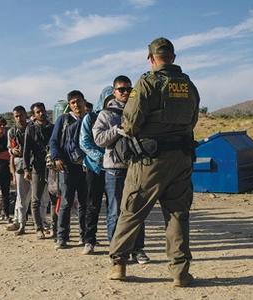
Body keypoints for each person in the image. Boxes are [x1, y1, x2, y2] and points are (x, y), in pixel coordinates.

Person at [106, 37, 200, 287]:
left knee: (132, 211)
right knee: (178, 214)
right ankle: (180, 272)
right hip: (181, 159)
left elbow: (132, 121)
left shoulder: (146, 83)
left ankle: (119, 264)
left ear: (151, 58)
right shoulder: (189, 85)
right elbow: (192, 121)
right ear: (173, 58)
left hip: (149, 161)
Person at [93, 75, 149, 264]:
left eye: (128, 89)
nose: (125, 92)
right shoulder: (106, 114)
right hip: (115, 170)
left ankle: (138, 249)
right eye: (121, 89)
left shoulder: (139, 110)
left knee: (137, 211)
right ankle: (116, 250)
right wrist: (117, 129)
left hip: (136, 167)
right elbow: (99, 139)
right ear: (114, 92)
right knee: (115, 211)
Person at [49, 90, 88, 249]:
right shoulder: (63, 120)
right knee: (66, 202)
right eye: (72, 103)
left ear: (84, 101)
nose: (76, 105)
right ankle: (62, 237)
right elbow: (54, 141)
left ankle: (85, 236)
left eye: (78, 101)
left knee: (86, 203)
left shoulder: (90, 119)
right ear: (69, 105)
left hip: (87, 167)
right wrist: (57, 157)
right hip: (68, 167)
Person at [79, 86, 113, 255]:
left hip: (114, 168)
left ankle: (114, 241)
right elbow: (84, 142)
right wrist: (101, 157)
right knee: (92, 204)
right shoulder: (91, 118)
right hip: (95, 167)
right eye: (108, 99)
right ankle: (89, 240)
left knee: (113, 206)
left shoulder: (119, 116)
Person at [23, 102, 56, 239]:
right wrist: (26, 169)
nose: (41, 113)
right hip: (37, 168)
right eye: (38, 112)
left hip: (52, 169)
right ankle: (39, 228)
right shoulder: (30, 129)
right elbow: (26, 151)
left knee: (54, 199)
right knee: (35, 200)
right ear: (34, 115)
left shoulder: (53, 128)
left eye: (42, 111)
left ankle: (54, 228)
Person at [6, 106, 31, 235]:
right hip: (20, 165)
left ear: (25, 115)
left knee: (37, 198)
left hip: (33, 165)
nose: (19, 118)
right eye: (16, 116)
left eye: (21, 115)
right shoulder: (12, 132)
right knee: (21, 197)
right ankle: (20, 223)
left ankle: (41, 223)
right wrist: (12, 151)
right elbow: (10, 148)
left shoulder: (32, 129)